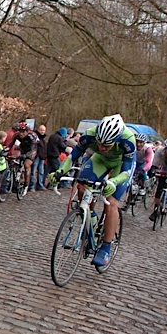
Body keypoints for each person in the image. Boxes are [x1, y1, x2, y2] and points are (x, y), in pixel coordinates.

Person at [49, 114, 135, 267]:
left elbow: (127, 171)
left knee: (111, 202)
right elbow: (73, 156)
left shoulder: (128, 140)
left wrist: (113, 182)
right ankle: (91, 218)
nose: (101, 148)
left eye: (106, 146)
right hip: (99, 160)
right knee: (82, 185)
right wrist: (60, 172)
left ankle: (106, 248)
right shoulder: (90, 135)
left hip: (120, 166)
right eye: (100, 143)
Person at [12, 121, 39, 195]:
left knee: (27, 165)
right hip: (22, 148)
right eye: (20, 131)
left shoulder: (32, 136)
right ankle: (14, 173)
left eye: (23, 132)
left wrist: (27, 155)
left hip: (32, 150)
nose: (21, 133)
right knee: (13, 156)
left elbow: (33, 149)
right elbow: (10, 145)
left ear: (27, 131)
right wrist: (4, 151)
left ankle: (26, 185)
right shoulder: (16, 135)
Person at [32, 124, 48, 190]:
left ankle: (40, 185)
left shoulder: (43, 138)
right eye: (41, 130)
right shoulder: (35, 137)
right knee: (33, 171)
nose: (42, 131)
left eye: (43, 130)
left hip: (42, 157)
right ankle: (31, 186)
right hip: (36, 156)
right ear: (38, 130)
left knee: (41, 172)